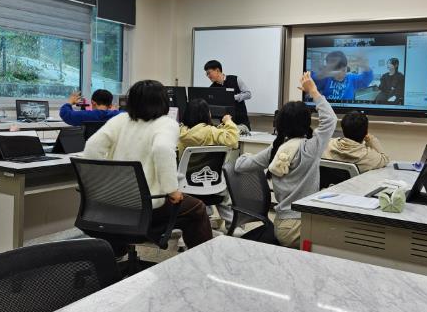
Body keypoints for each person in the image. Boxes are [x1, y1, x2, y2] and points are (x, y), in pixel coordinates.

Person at [82, 80, 212, 249]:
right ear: (163, 102)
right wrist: (172, 190)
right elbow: (162, 149)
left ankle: (116, 252)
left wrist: (100, 185)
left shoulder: (120, 120)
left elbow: (92, 147)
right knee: (198, 209)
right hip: (147, 206)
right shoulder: (166, 123)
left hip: (112, 202)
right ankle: (203, 259)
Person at [235, 72, 337, 248]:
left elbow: (240, 166)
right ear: (306, 122)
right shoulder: (310, 148)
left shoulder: (275, 150)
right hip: (301, 226)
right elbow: (330, 119)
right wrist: (313, 91)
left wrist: (247, 155)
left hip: (284, 226)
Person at [322, 111, 390, 173]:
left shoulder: (327, 145)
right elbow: (385, 159)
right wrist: (370, 139)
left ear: (343, 129)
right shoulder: (367, 156)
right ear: (366, 132)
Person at [204, 60, 251, 130]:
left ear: (217, 70)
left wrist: (233, 97)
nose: (208, 76)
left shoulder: (235, 79)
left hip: (242, 123)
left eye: (209, 73)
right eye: (206, 74)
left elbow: (248, 94)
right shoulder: (212, 88)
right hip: (226, 126)